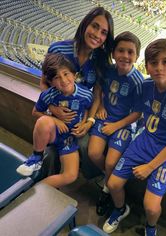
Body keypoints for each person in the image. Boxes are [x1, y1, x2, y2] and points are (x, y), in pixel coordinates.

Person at [102, 39, 166, 236]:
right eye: (153, 63)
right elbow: (138, 112)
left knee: (150, 207)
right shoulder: (146, 85)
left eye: (165, 62)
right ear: (147, 66)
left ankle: (151, 229)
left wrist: (150, 166)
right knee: (113, 184)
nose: (159, 67)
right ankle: (120, 209)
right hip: (143, 141)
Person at [39, 7, 114, 180]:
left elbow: (97, 95)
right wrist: (54, 109)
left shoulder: (101, 60)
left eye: (103, 32)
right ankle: (46, 191)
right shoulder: (58, 50)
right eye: (95, 26)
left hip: (83, 115)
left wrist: (89, 121)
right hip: (58, 115)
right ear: (85, 24)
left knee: (87, 145)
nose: (97, 34)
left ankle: (97, 182)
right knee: (50, 155)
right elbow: (44, 82)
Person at [88, 31, 144, 216]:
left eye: (130, 52)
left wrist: (116, 126)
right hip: (105, 118)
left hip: (124, 125)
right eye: (121, 50)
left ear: (136, 56)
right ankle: (108, 181)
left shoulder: (137, 81)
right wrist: (101, 105)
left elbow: (137, 113)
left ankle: (107, 190)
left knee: (112, 162)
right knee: (94, 153)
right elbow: (99, 89)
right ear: (113, 53)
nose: (125, 56)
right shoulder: (108, 70)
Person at [16, 53, 93, 188]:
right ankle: (36, 158)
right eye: (57, 77)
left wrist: (85, 121)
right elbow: (36, 112)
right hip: (54, 133)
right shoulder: (48, 95)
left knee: (71, 175)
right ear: (51, 82)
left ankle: (36, 190)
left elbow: (88, 108)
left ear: (74, 75)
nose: (63, 80)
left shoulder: (85, 94)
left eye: (66, 74)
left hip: (69, 139)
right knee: (43, 122)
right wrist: (55, 120)